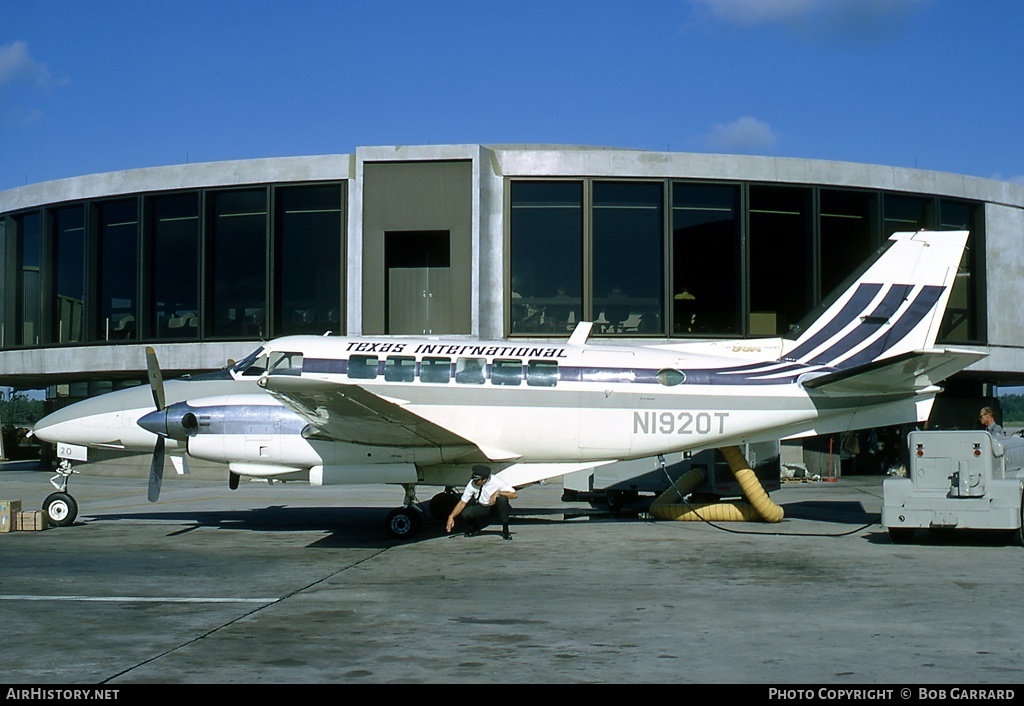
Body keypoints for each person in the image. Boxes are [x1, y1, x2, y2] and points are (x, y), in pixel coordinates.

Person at [446, 464, 518, 540]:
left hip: (494, 507)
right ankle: (475, 528)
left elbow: (514, 495)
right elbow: (463, 502)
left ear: (484, 479)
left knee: (502, 500)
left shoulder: (496, 482)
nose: (474, 482)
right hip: (482, 507)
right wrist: (451, 516)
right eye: (474, 479)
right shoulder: (472, 484)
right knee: (466, 513)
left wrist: (498, 493)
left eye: (477, 480)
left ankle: (505, 530)